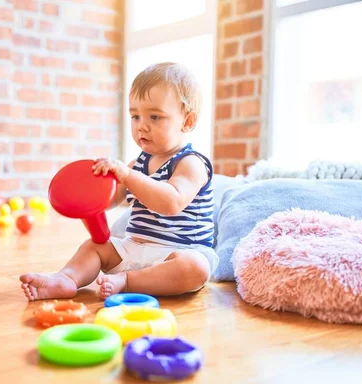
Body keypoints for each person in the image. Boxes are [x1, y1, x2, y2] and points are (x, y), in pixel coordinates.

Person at [20, 62, 218, 301]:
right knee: (94, 246)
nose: (141, 125)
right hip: (133, 248)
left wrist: (127, 175)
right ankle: (66, 278)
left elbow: (171, 202)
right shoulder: (138, 164)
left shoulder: (191, 163)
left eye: (155, 116)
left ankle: (127, 282)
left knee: (196, 268)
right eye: (135, 116)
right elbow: (107, 201)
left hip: (177, 254)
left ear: (187, 121)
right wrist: (87, 194)